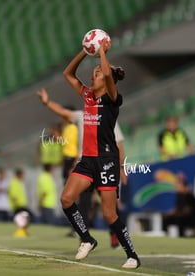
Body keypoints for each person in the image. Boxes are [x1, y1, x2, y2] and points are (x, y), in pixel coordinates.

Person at [60, 41, 140, 269]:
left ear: (106, 81)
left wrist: (102, 52)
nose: (93, 76)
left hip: (107, 161)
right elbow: (68, 73)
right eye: (94, 74)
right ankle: (87, 239)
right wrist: (85, 52)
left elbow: (107, 72)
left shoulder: (112, 100)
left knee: (109, 214)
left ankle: (132, 254)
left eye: (96, 74)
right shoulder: (87, 96)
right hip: (87, 160)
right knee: (66, 199)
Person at [37, 88, 127, 247]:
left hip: (105, 164)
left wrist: (121, 167)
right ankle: (84, 238)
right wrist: (47, 103)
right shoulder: (81, 116)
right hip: (86, 164)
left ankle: (115, 233)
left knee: (109, 206)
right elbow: (64, 113)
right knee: (83, 203)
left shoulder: (109, 117)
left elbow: (118, 144)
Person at [162, 173, 195, 237]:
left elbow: (187, 211)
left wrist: (176, 214)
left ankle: (182, 237)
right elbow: (177, 209)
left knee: (180, 220)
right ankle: (165, 235)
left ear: (185, 187)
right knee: (166, 219)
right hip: (182, 217)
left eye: (179, 186)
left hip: (193, 219)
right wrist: (170, 214)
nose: (177, 188)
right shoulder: (179, 197)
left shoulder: (190, 197)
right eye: (176, 187)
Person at [8, 169, 31, 237]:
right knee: (23, 218)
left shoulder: (19, 182)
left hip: (22, 205)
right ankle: (20, 231)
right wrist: (16, 204)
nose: (23, 176)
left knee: (25, 218)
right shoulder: (14, 183)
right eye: (22, 175)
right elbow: (13, 195)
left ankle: (23, 231)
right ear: (18, 175)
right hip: (18, 206)